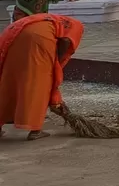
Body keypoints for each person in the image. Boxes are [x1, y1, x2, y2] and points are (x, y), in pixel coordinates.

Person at [0, 12, 84, 140]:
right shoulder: (77, 26)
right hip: (38, 39)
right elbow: (67, 40)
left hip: (13, 34)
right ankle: (35, 130)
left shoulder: (51, 20)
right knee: (39, 82)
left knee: (8, 80)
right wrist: (56, 64)